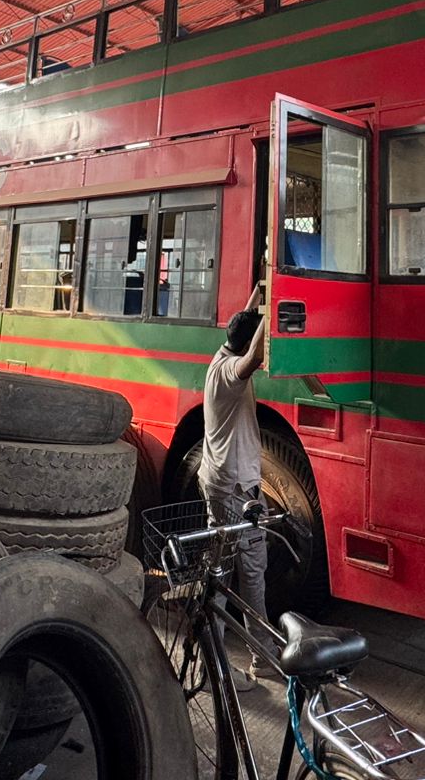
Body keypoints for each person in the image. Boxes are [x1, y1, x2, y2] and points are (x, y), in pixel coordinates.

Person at [200, 289, 269, 690]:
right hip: (234, 490)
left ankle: (217, 655)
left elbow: (242, 326)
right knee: (248, 573)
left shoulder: (220, 356)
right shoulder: (229, 374)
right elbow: (256, 356)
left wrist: (261, 293)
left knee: (224, 571)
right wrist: (271, 318)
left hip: (224, 482)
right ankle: (256, 660)